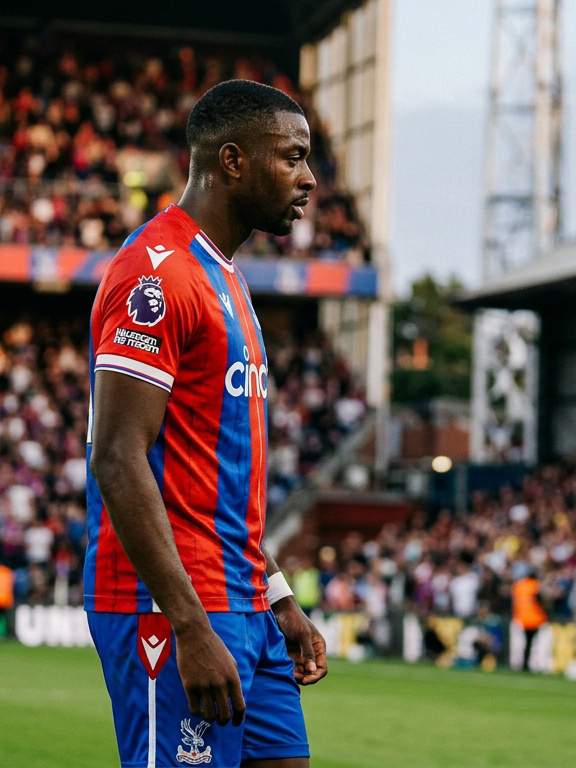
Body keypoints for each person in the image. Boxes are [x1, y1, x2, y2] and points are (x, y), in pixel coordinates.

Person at [85, 80, 326, 768]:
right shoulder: (154, 275)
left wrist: (276, 593)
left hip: (244, 600)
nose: (310, 178)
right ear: (232, 161)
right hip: (173, 605)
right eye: (293, 157)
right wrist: (189, 624)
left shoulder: (227, 276)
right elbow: (117, 456)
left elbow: (213, 474)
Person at [512, 564, 548, 671]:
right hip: (535, 618)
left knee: (524, 643)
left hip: (521, 618)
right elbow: (541, 600)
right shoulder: (535, 585)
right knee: (534, 643)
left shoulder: (519, 585)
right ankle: (529, 664)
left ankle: (524, 663)